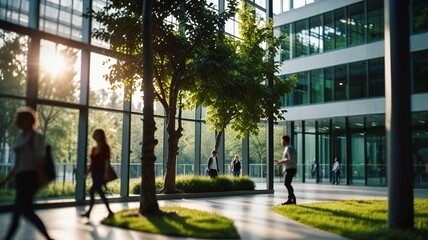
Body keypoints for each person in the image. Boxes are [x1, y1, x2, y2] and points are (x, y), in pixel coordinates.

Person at [0, 107, 53, 240]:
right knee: (24, 210)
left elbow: (39, 161)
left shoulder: (37, 137)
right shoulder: (21, 137)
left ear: (27, 120)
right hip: (21, 177)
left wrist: (41, 179)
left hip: (31, 178)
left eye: (19, 119)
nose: (16, 121)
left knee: (20, 211)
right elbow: (18, 164)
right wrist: (6, 180)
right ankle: (49, 238)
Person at [80, 129, 114, 219]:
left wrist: (106, 173)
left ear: (99, 135)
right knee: (100, 192)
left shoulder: (105, 147)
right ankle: (110, 212)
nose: (94, 135)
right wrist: (87, 172)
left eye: (95, 134)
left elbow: (107, 161)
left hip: (101, 173)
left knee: (92, 191)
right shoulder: (94, 148)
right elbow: (93, 163)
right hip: (94, 173)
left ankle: (88, 213)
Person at [274, 135, 297, 205]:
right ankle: (291, 199)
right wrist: (280, 163)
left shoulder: (289, 148)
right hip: (289, 169)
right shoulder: (287, 148)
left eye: (282, 140)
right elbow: (287, 159)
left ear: (285, 140)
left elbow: (290, 159)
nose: (281, 142)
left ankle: (291, 199)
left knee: (287, 183)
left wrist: (280, 162)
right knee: (287, 183)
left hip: (291, 169)